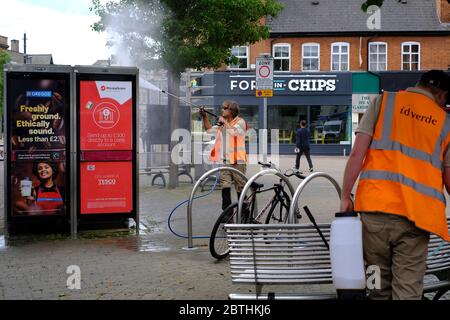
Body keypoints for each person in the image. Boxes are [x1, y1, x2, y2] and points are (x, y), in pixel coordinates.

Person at [340, 70, 450, 300]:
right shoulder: (445, 123)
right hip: (416, 221)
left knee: (376, 284)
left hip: (373, 217)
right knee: (407, 291)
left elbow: (357, 154)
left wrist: (344, 197)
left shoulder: (384, 101)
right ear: (441, 94)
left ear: (419, 84)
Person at [199, 100, 248, 211]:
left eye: (224, 108)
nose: (222, 110)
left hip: (238, 162)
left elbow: (235, 133)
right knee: (225, 188)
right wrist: (204, 116)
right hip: (225, 161)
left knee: (240, 188)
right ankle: (227, 215)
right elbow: (208, 130)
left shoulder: (241, 122)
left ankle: (245, 213)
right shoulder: (222, 124)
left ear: (232, 110)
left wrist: (224, 123)